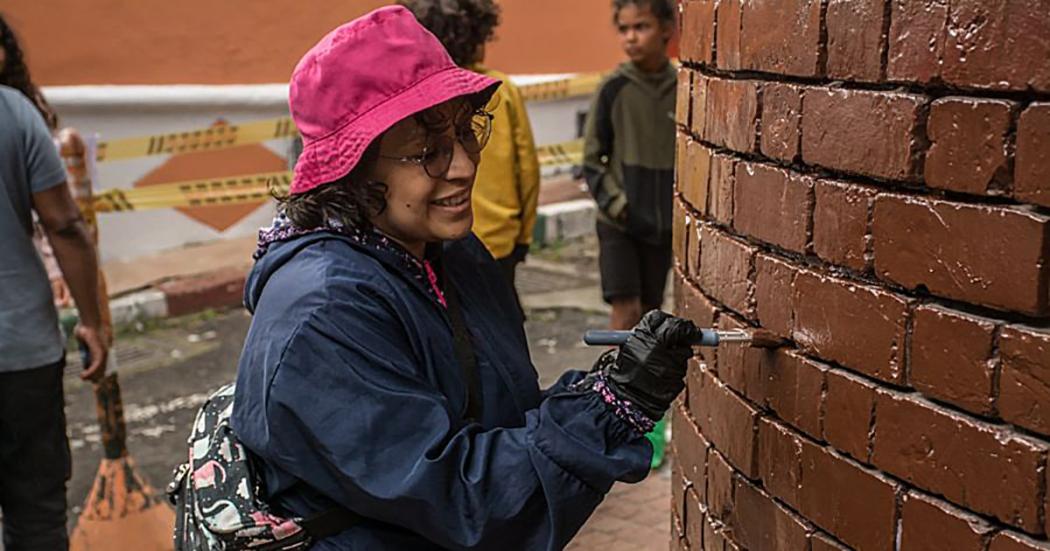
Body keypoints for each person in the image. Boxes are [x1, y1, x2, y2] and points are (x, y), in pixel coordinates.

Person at [230, 6, 700, 549]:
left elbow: (502, 415)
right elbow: (465, 501)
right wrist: (607, 413)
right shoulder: (323, 315)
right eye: (428, 152)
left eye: (466, 134)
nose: (463, 166)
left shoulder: (446, 252)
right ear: (354, 171)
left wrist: (611, 389)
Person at [0, 14, 109, 551]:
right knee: (36, 514)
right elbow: (63, 223)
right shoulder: (14, 113)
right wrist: (92, 322)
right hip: (20, 352)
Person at [397, 0, 540, 315]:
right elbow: (527, 169)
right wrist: (524, 235)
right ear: (477, 35)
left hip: (431, 238)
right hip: (498, 240)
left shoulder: (409, 99)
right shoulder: (500, 90)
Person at [583, 0, 677, 331]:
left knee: (650, 317)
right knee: (626, 310)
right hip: (619, 224)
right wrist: (620, 206)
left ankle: (640, 383)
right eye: (624, 29)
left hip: (662, 225)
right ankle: (611, 384)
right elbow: (592, 160)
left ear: (666, 28)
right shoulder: (613, 88)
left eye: (641, 27)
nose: (631, 38)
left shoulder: (683, 88)